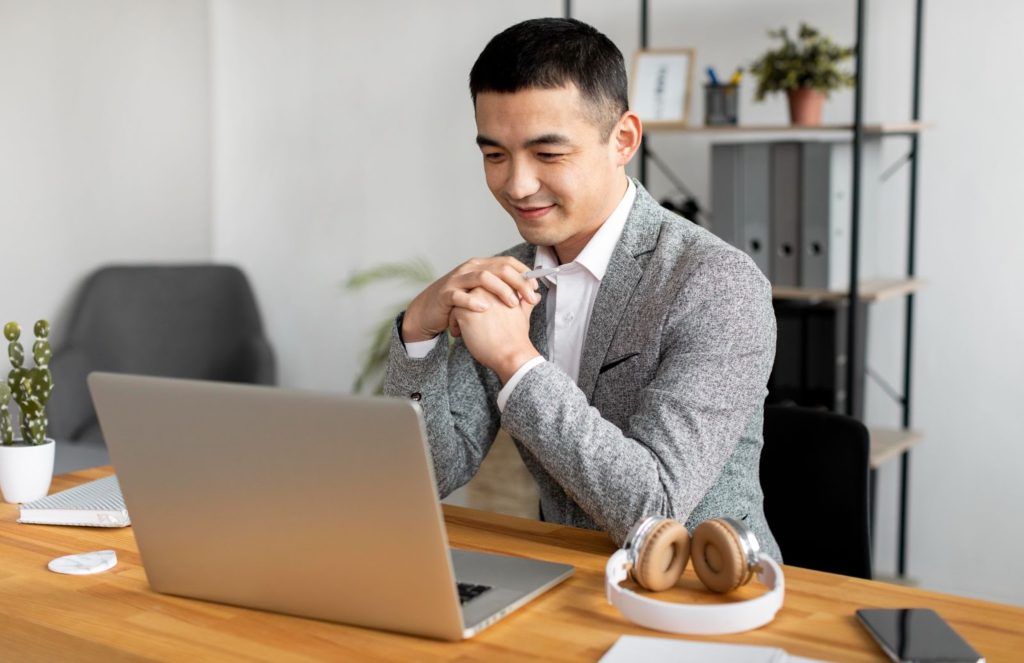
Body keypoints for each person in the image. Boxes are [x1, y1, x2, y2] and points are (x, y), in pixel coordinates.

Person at [384, 17, 780, 558]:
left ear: (623, 140)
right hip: (559, 579)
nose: (517, 185)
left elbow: (655, 511)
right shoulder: (509, 278)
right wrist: (418, 333)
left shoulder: (717, 284)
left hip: (700, 592)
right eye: (494, 155)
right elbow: (430, 475)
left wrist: (517, 363)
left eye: (548, 155)